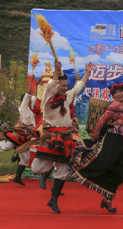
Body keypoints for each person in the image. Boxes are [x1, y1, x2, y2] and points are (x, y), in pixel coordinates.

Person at [26, 61, 92, 212]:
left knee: (63, 170)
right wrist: (56, 71)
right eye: (62, 85)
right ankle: (46, 173)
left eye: (65, 85)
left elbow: (79, 86)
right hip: (51, 137)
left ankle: (53, 199)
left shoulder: (68, 97)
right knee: (37, 168)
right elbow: (51, 86)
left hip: (65, 138)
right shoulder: (48, 99)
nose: (64, 87)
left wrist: (87, 72)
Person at [70, 83, 123, 213]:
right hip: (112, 138)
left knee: (119, 172)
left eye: (121, 91)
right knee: (103, 162)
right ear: (113, 96)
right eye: (116, 93)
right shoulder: (114, 105)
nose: (119, 94)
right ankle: (75, 164)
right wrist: (94, 137)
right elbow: (102, 120)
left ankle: (107, 199)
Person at [0, 92, 40, 185]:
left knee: (26, 158)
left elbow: (33, 96)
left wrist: (37, 84)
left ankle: (17, 177)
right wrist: (30, 85)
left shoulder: (31, 109)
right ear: (25, 100)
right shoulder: (23, 108)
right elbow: (28, 94)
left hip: (25, 137)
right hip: (18, 135)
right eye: (29, 99)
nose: (31, 100)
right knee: (6, 147)